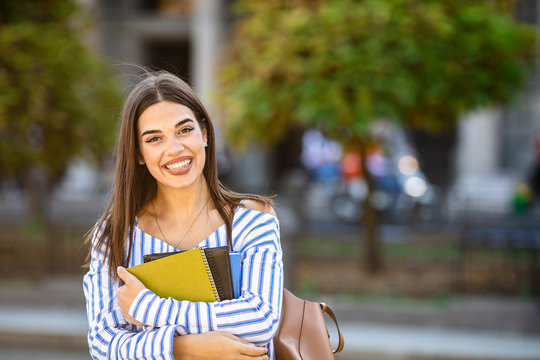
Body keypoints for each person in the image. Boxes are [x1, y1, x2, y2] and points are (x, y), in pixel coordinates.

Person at [83, 70, 283, 360]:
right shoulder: (115, 235)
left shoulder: (252, 221)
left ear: (204, 133)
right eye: (154, 139)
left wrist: (148, 308)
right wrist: (182, 348)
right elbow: (103, 344)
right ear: (138, 153)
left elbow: (260, 320)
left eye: (184, 130)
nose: (174, 149)